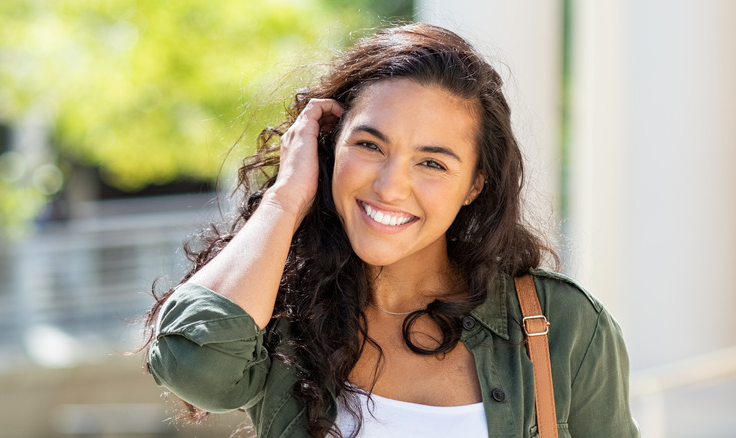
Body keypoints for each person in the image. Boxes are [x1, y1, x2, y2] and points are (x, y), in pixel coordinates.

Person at [144, 23, 640, 438]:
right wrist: (287, 197)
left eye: (432, 163)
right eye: (370, 145)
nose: (390, 187)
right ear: (329, 146)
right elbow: (192, 365)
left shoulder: (562, 325)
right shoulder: (284, 315)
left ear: (474, 186)